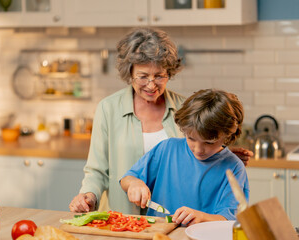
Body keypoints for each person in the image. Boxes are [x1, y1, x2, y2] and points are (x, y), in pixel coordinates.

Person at [69, 27, 252, 215]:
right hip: (123, 216)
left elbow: (196, 149)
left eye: (159, 76)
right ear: (129, 73)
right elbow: (97, 170)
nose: (151, 84)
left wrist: (221, 154)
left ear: (169, 73)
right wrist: (88, 196)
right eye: (143, 76)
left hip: (175, 221)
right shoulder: (108, 108)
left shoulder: (185, 108)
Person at [120, 89, 249, 225]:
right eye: (191, 138)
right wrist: (134, 184)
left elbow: (231, 219)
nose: (198, 149)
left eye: (209, 142)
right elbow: (127, 179)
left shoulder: (234, 167)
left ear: (228, 135)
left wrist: (201, 217)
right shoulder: (167, 148)